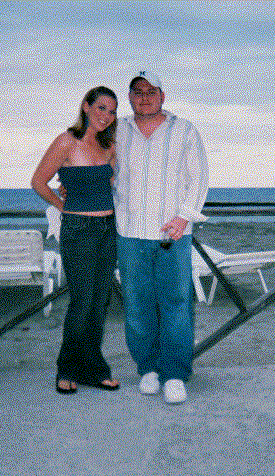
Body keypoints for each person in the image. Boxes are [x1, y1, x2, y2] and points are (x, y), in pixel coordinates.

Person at [114, 71, 209, 404]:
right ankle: (148, 369)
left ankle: (175, 374)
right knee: (136, 304)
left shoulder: (185, 130)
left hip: (173, 232)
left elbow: (198, 178)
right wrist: (70, 186)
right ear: (129, 97)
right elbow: (98, 167)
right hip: (129, 232)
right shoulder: (117, 130)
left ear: (162, 96)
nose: (144, 97)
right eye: (137, 92)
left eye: (151, 91)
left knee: (176, 304)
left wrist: (184, 217)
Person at [31, 86, 120, 394]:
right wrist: (62, 206)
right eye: (101, 108)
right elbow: (38, 181)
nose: (106, 116)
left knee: (100, 301)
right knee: (82, 301)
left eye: (112, 111)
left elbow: (111, 184)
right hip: (79, 230)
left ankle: (93, 369)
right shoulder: (66, 141)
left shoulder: (109, 146)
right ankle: (66, 369)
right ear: (86, 106)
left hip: (109, 229)